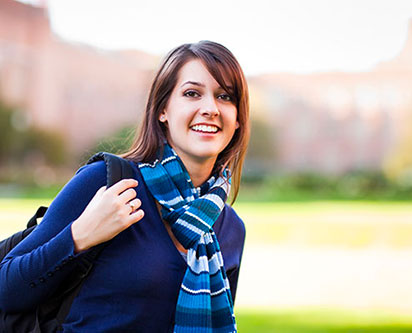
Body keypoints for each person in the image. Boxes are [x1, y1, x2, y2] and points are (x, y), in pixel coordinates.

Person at [0, 40, 249, 332]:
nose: (210, 108)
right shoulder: (107, 183)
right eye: (192, 93)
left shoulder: (230, 228)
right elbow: (7, 288)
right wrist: (80, 236)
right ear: (162, 110)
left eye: (225, 96)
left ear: (237, 120)